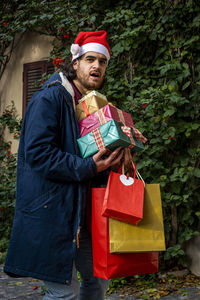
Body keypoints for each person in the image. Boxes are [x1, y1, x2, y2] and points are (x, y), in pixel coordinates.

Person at [4, 30, 132, 300]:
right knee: (63, 292)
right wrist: (89, 168)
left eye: (102, 61)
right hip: (53, 212)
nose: (97, 66)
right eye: (90, 60)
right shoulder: (49, 99)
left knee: (98, 283)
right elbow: (37, 155)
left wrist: (126, 144)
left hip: (85, 214)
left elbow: (94, 155)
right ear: (75, 64)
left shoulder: (92, 107)